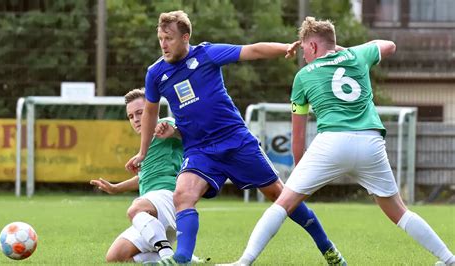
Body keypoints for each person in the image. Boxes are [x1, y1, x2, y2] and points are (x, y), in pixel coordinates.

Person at [223, 17, 455, 266]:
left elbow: (298, 135)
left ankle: (244, 261)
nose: (304, 56)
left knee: (283, 204)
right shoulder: (357, 56)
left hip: (331, 141)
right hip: (370, 141)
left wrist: (302, 169)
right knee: (399, 212)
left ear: (312, 47)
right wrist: (343, 51)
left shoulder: (302, 77)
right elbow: (389, 45)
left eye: (304, 50)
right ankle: (449, 259)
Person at [125, 10, 346, 265]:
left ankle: (328, 249)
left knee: (281, 196)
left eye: (169, 38)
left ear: (185, 37)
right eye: (160, 38)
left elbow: (251, 50)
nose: (163, 44)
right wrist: (143, 152)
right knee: (183, 194)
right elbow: (151, 111)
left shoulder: (206, 54)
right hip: (199, 149)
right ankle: (182, 258)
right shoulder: (155, 73)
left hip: (235, 139)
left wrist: (285, 47)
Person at [90, 88, 203, 264]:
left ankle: (166, 255)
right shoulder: (145, 144)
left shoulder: (164, 124)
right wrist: (115, 188)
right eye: (130, 116)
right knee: (115, 257)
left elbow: (187, 132)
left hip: (169, 198)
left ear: (152, 110)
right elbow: (143, 178)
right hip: (153, 217)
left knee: (135, 208)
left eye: (139, 113)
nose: (135, 119)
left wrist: (173, 131)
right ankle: (185, 259)